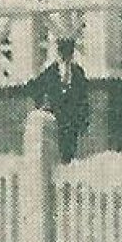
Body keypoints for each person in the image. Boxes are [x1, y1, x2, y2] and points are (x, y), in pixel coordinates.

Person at [29, 34, 89, 163]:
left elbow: (83, 96)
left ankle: (67, 166)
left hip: (72, 116)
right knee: (57, 145)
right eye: (64, 52)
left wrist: (83, 118)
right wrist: (41, 104)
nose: (66, 56)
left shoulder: (78, 72)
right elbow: (35, 87)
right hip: (57, 114)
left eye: (69, 52)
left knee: (71, 145)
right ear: (59, 52)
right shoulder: (51, 71)